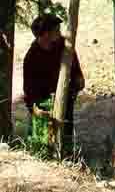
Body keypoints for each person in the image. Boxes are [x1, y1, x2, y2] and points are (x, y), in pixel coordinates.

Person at [23, 13, 85, 150]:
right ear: (46, 34)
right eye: (56, 30)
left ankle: (66, 154)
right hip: (43, 103)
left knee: (65, 136)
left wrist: (78, 78)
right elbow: (28, 90)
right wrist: (35, 109)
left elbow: (74, 65)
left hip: (64, 98)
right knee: (42, 141)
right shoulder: (32, 57)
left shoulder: (63, 45)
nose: (60, 33)